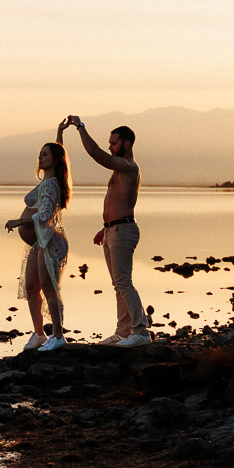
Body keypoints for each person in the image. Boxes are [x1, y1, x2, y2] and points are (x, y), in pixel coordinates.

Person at [65, 116, 150, 346]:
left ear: (126, 144)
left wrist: (80, 127)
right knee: (118, 284)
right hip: (113, 230)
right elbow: (117, 201)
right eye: (110, 143)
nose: (110, 147)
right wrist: (106, 228)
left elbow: (96, 154)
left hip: (124, 230)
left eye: (113, 143)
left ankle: (141, 331)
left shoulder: (128, 166)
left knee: (124, 282)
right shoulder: (120, 169)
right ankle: (123, 331)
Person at [4, 129, 71, 351]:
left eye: (45, 154)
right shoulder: (47, 180)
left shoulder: (52, 185)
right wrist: (59, 132)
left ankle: (59, 336)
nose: (40, 157)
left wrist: (19, 222)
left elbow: (45, 215)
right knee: (32, 287)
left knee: (50, 289)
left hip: (50, 241)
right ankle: (39, 334)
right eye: (40, 154)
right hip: (38, 243)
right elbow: (59, 151)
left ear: (55, 159)